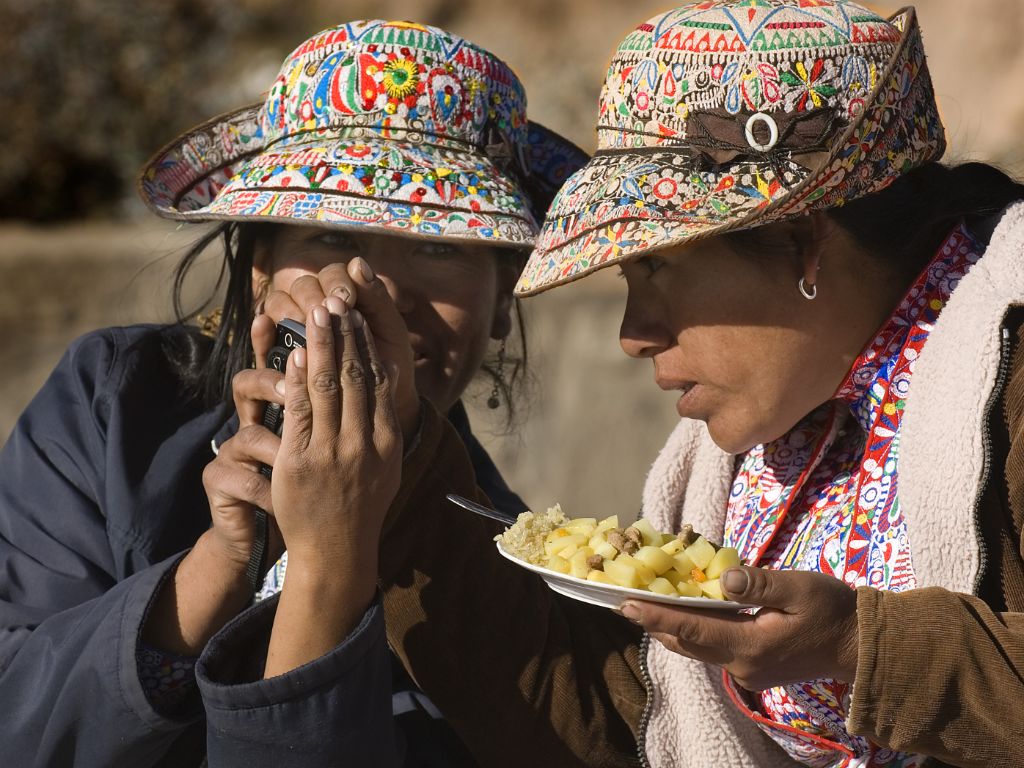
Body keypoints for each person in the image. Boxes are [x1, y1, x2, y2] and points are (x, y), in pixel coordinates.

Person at [355, 2, 1024, 767]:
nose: (634, 335)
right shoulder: (745, 453)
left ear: (805, 245)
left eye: (660, 267)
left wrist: (857, 644)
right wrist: (399, 463)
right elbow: (646, 728)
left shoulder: (1007, 365)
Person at [0, 19, 586, 767]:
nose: (376, 292)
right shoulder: (115, 408)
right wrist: (220, 563)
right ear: (259, 269)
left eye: (441, 247)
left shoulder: (511, 571)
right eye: (330, 238)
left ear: (504, 296)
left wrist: (327, 568)